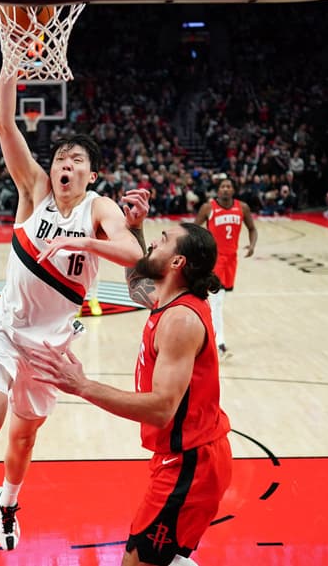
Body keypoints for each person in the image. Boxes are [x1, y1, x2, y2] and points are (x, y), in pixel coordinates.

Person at [0, 68, 149, 551]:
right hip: (6, 326)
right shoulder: (35, 191)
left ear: (92, 174)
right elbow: (4, 123)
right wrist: (8, 67)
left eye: (76, 160)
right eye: (60, 159)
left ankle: (7, 502)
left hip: (50, 345)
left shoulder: (99, 209)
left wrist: (84, 241)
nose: (65, 165)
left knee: (22, 439)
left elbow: (133, 254)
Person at [31, 222, 232, 566]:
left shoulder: (180, 321)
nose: (154, 241)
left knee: (137, 561)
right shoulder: (167, 299)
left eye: (163, 240)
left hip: (190, 465)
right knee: (160, 559)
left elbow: (162, 409)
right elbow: (137, 282)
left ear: (178, 262)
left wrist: (82, 385)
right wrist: (135, 228)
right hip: (185, 457)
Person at [194, 176, 256, 358]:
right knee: (216, 302)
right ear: (218, 190)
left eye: (229, 186)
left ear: (233, 190)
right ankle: (219, 344)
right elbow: (193, 229)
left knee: (217, 301)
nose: (226, 189)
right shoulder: (208, 207)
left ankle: (203, 338)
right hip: (215, 260)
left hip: (231, 260)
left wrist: (252, 245)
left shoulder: (242, 207)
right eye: (223, 186)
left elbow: (252, 228)